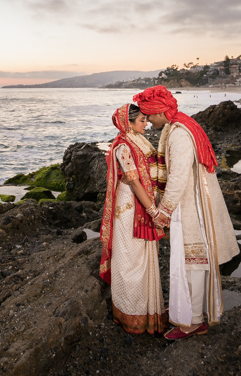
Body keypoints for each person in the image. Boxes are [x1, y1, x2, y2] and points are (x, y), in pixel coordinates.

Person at [134, 86, 239, 340]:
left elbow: (179, 176)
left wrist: (164, 210)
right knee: (190, 262)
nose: (148, 120)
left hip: (191, 206)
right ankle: (189, 310)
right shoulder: (180, 124)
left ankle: (192, 321)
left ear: (160, 111)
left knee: (191, 263)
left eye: (149, 115)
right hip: (192, 201)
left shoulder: (179, 134)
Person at [98, 103, 168, 334]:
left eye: (147, 120)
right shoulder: (123, 147)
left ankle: (145, 310)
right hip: (130, 207)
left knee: (140, 255)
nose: (146, 124)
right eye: (142, 121)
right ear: (128, 123)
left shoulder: (136, 142)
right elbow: (134, 180)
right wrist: (153, 211)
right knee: (131, 257)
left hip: (137, 200)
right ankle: (132, 312)